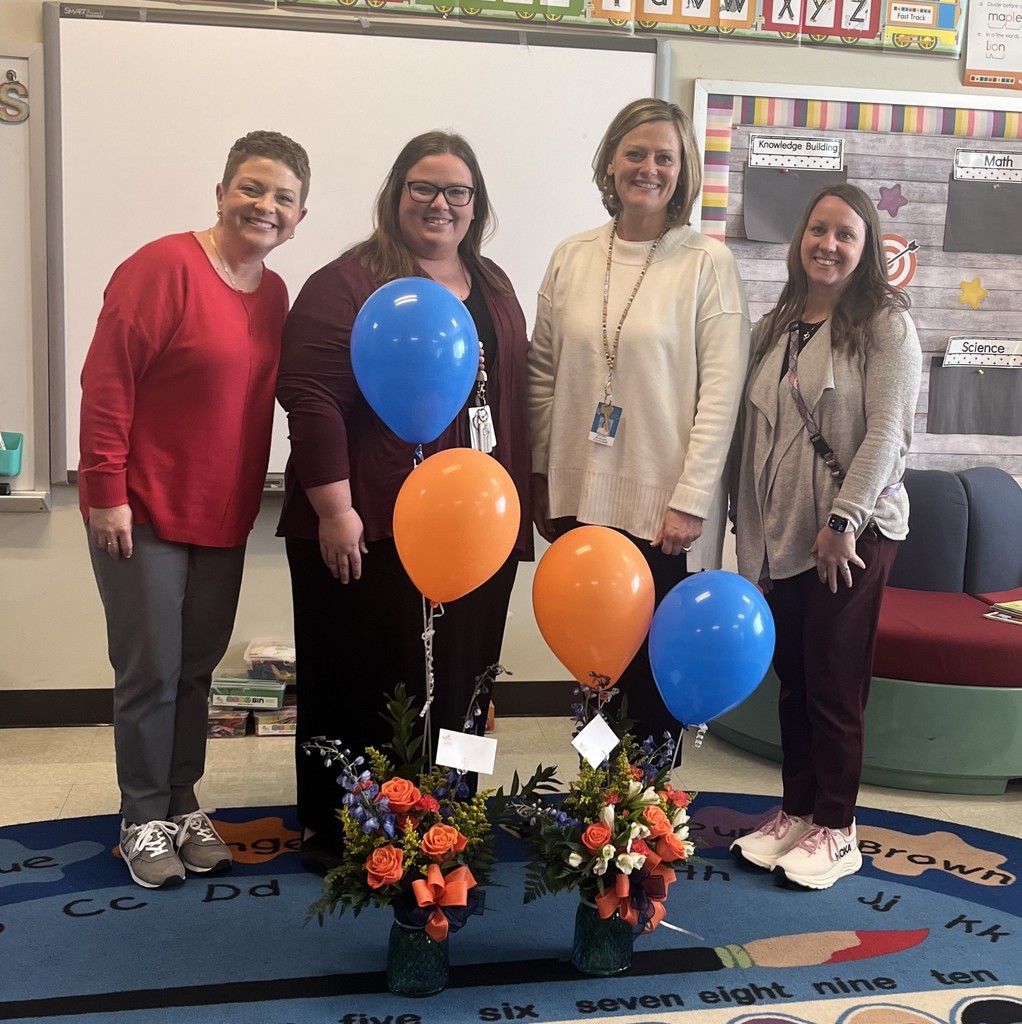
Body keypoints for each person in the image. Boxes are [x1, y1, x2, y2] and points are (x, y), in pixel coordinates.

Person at [276, 131, 532, 875]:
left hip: (475, 530)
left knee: (467, 682)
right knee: (367, 683)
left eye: (457, 191)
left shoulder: (493, 285)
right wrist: (335, 511)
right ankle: (352, 827)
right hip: (368, 528)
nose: (440, 203)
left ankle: (454, 811)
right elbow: (311, 398)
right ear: (395, 194)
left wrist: (517, 510)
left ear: (476, 205)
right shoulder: (345, 283)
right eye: (423, 187)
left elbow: (510, 400)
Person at [79, 131, 310, 889]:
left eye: (282, 197)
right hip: (141, 509)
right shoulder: (161, 267)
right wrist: (105, 492)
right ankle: (141, 816)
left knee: (196, 671)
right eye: (251, 187)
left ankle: (181, 803)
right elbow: (107, 383)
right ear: (220, 193)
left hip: (222, 513)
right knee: (150, 671)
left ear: (299, 217)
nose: (264, 205)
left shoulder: (274, 294)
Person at [528, 98, 750, 741]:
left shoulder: (707, 263)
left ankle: (644, 800)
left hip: (664, 515)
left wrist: (691, 500)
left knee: (650, 680)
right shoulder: (572, 255)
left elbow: (721, 394)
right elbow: (541, 374)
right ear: (610, 162)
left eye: (664, 157)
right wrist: (542, 476)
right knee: (595, 670)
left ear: (683, 172)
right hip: (578, 499)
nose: (648, 168)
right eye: (634, 153)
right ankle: (595, 796)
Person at [729, 183, 921, 890]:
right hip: (783, 535)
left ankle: (838, 827)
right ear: (799, 238)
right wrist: (748, 538)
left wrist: (843, 522)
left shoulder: (885, 325)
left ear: (866, 248)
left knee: (835, 684)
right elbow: (754, 438)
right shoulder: (778, 324)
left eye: (845, 234)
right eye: (818, 230)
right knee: (795, 681)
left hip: (853, 536)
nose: (828, 244)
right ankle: (799, 810)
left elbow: (887, 434)